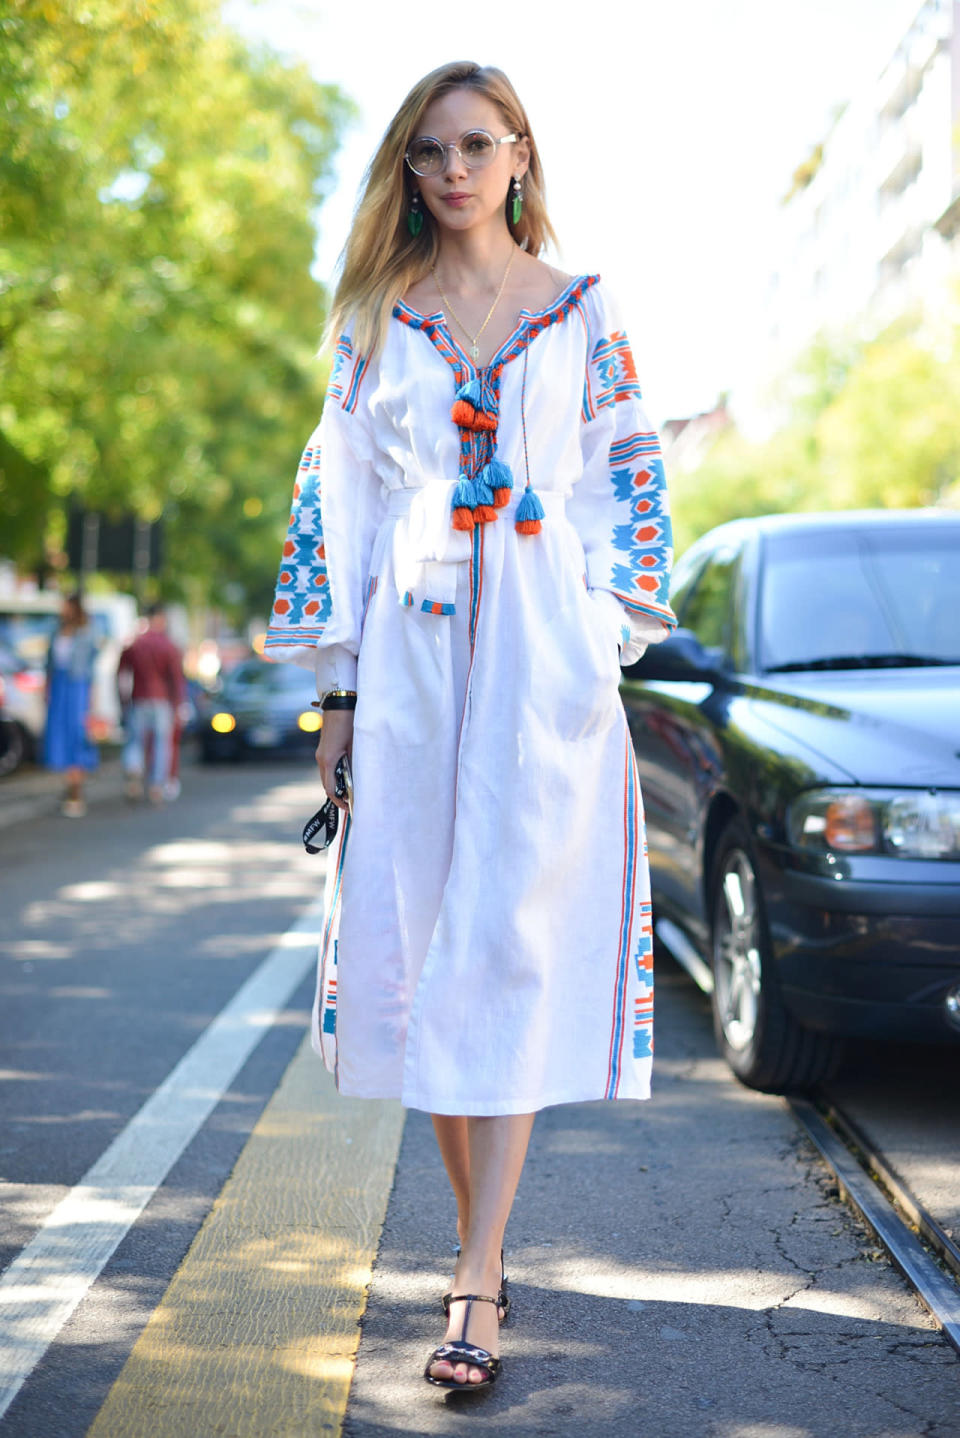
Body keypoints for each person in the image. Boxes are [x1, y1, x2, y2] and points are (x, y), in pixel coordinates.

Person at [264, 61, 677, 1391]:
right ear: (407, 169)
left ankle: (475, 1276)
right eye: (427, 151)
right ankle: (475, 1246)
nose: (450, 170)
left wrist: (597, 635)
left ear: (519, 156)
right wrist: (336, 687)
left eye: (475, 145)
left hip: (543, 664)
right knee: (429, 954)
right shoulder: (378, 321)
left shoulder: (582, 309)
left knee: (503, 946)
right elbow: (336, 501)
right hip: (413, 662)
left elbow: (633, 469)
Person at [117, 602, 186, 804]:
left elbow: (121, 673)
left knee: (135, 741)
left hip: (138, 698)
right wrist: (178, 703)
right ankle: (156, 786)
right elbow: (176, 678)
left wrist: (122, 699)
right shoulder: (168, 645)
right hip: (161, 700)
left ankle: (134, 770)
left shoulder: (135, 643)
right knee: (161, 744)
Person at [44, 592, 100, 817]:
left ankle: (76, 791)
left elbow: (90, 667)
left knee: (76, 736)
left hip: (76, 687)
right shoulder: (56, 630)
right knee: (60, 738)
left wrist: (90, 697)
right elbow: (49, 661)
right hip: (59, 686)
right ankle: (70, 787)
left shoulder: (86, 632)